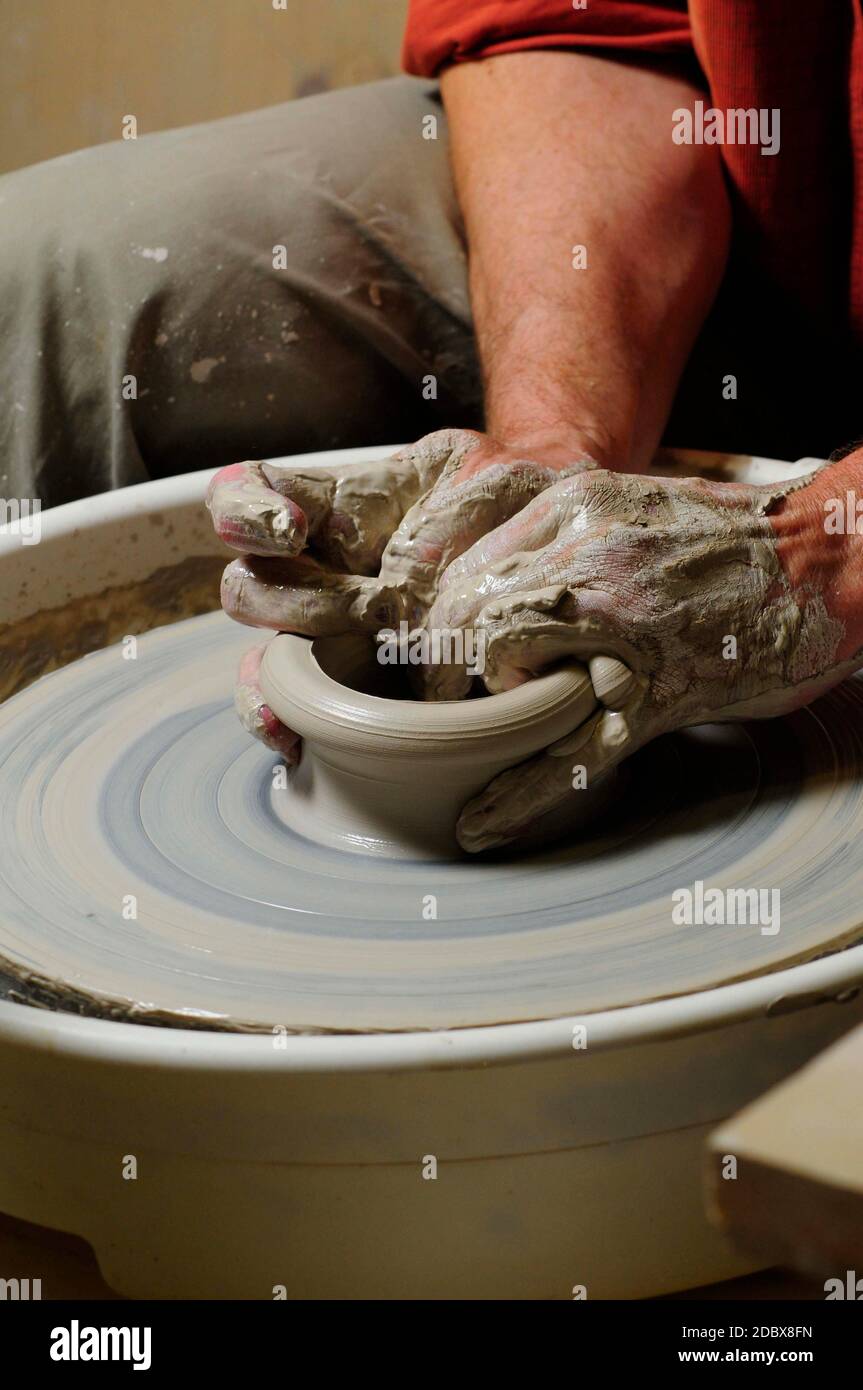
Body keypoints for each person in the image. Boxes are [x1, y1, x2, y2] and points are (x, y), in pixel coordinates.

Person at [3, 1, 862, 849]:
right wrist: (550, 452)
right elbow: (578, 29)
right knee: (63, 272)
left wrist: (813, 555)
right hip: (757, 221)